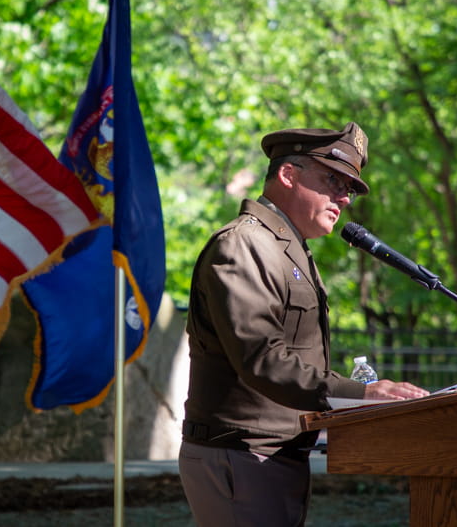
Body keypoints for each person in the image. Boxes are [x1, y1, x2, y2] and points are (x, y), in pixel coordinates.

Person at [179, 121, 429, 526]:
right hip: (242, 457)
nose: (344, 198)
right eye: (333, 180)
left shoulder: (287, 248)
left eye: (348, 188)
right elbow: (263, 359)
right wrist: (361, 393)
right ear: (288, 174)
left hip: (271, 457)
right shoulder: (243, 246)